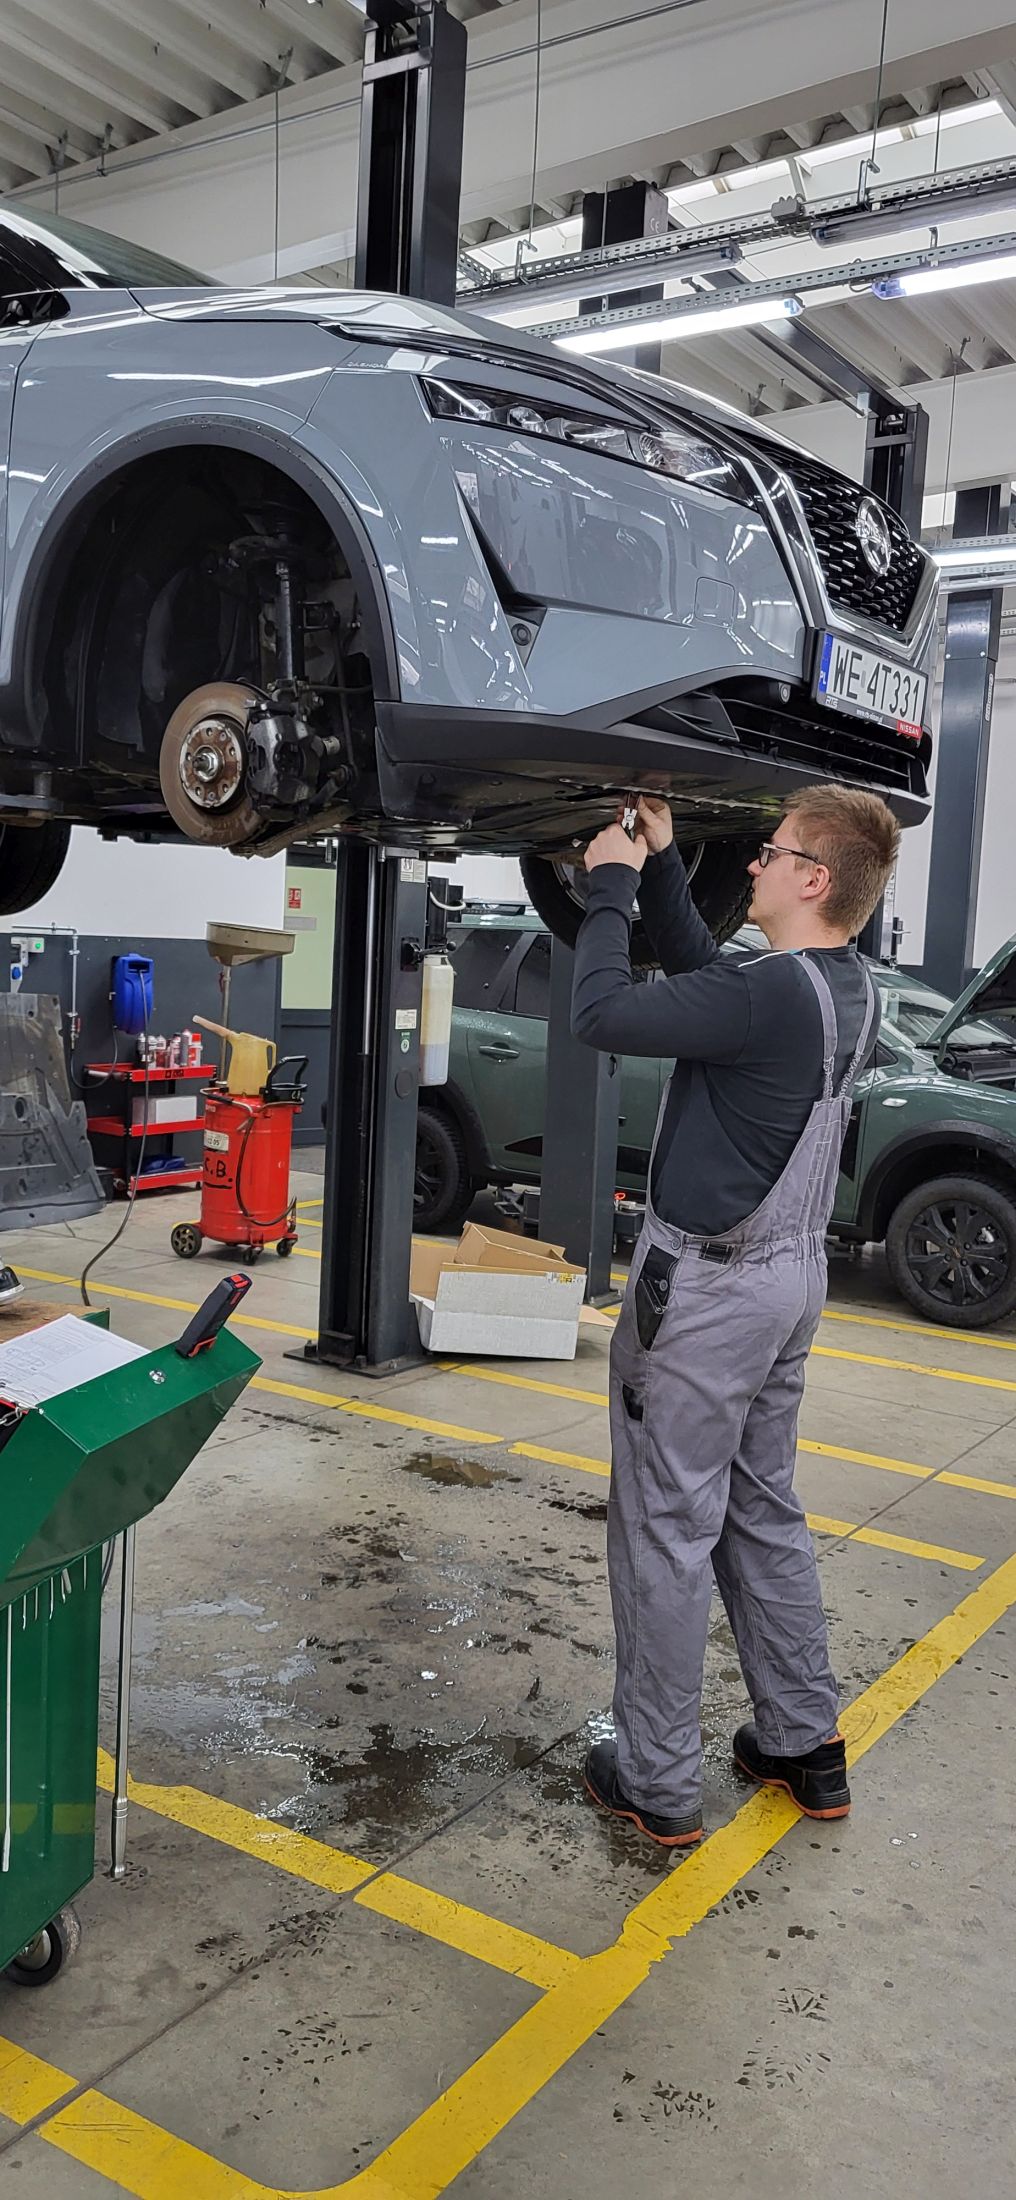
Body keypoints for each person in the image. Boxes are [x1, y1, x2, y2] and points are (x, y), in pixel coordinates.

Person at [571, 784, 899, 1847]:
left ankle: (656, 1778)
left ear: (813, 878)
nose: (752, 863)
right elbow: (709, 981)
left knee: (666, 1527)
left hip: (708, 1296)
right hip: (787, 1283)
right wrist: (667, 866)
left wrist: (608, 884)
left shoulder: (767, 995)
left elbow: (599, 1015)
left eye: (771, 852)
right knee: (761, 1509)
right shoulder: (842, 987)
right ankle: (803, 1743)